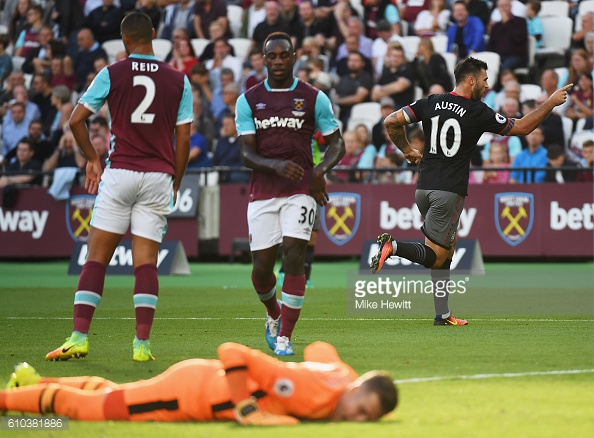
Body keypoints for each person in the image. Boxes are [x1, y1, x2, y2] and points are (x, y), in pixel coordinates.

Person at [370, 57, 571, 325]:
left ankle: (442, 314)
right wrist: (550, 103)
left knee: (447, 250)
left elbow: (391, 121)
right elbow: (522, 127)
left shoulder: (430, 102)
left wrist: (407, 150)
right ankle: (393, 246)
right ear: (472, 80)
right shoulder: (477, 111)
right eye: (486, 80)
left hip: (424, 188)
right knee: (435, 256)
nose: (488, 86)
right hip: (449, 191)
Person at [44, 12, 193, 363]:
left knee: (96, 257)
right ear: (154, 35)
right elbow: (183, 138)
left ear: (125, 40)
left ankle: (79, 337)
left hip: (121, 170)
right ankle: (142, 345)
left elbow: (76, 119)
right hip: (158, 176)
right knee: (146, 264)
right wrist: (177, 179)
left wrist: (93, 158)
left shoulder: (112, 73)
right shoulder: (178, 80)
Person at [236, 32, 345, 356]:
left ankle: (285, 336)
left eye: (285, 55)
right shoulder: (249, 99)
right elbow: (245, 155)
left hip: (301, 191)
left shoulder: (314, 98)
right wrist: (275, 165)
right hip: (264, 192)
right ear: (264, 59)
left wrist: (318, 171)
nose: (279, 61)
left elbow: (336, 143)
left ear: (294, 56)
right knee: (261, 269)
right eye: (273, 56)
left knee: (294, 255)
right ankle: (273, 313)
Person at [2, 341, 398, 425]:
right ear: (356, 390)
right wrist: (246, 408)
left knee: (115, 394)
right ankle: (7, 402)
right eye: (361, 410)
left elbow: (319, 349)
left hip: (196, 381)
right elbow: (233, 352)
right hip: (188, 396)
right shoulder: (312, 392)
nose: (357, 420)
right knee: (89, 411)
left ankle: (32, 383)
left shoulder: (341, 376)